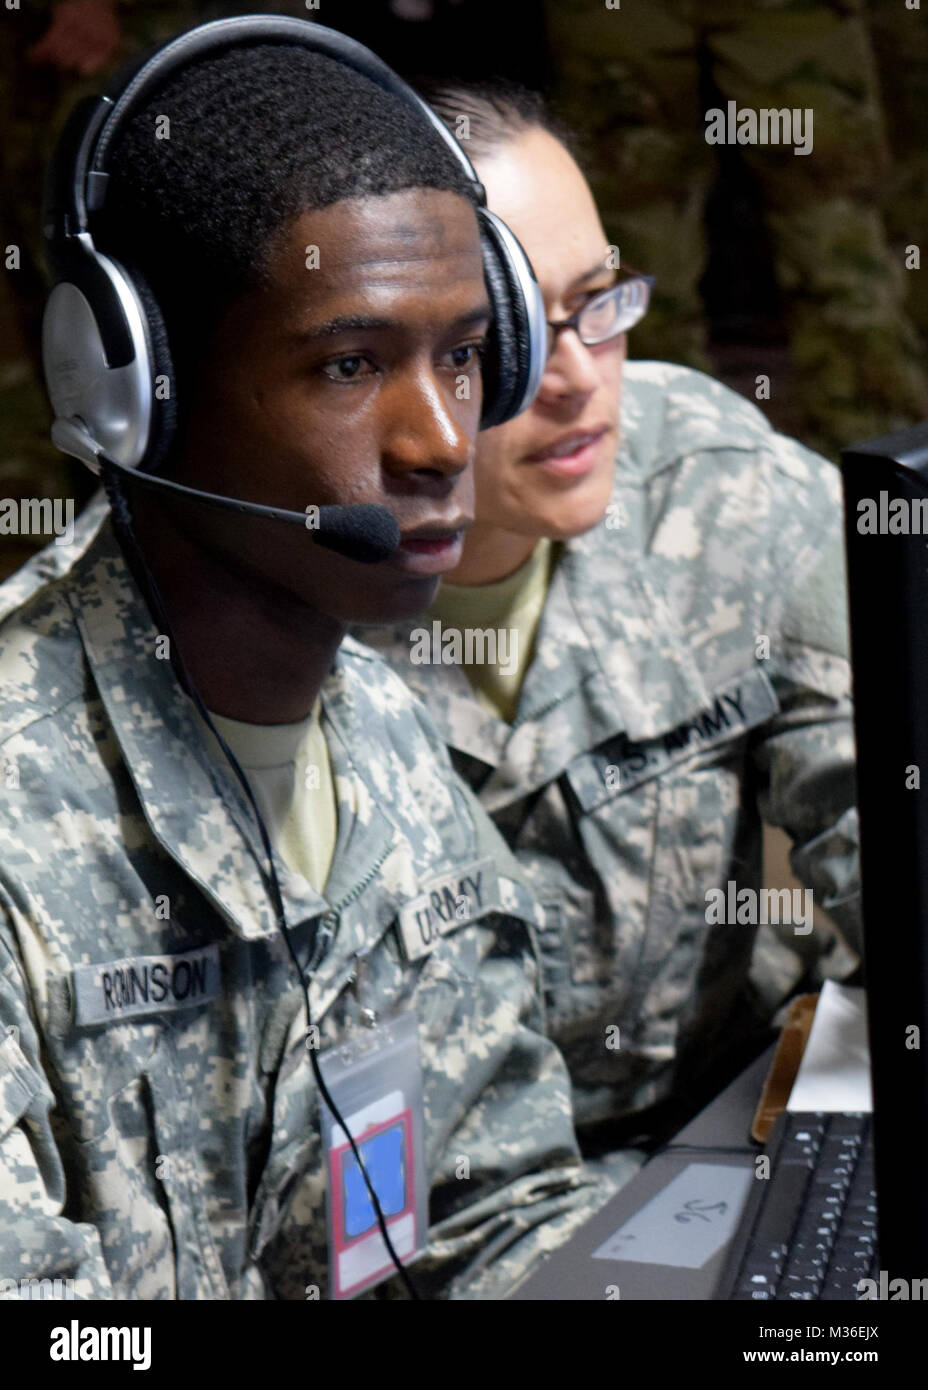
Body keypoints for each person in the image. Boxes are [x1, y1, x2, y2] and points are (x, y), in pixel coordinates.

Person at [0, 29, 614, 1300]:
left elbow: (489, 1209)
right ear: (133, 395)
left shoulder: (380, 736)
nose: (444, 438)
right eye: (351, 365)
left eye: (458, 354)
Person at [357, 79, 862, 1175]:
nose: (581, 380)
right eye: (508, 339)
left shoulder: (708, 481)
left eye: (598, 302)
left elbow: (886, 819)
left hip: (724, 1131)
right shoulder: (263, 607)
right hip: (430, 1228)